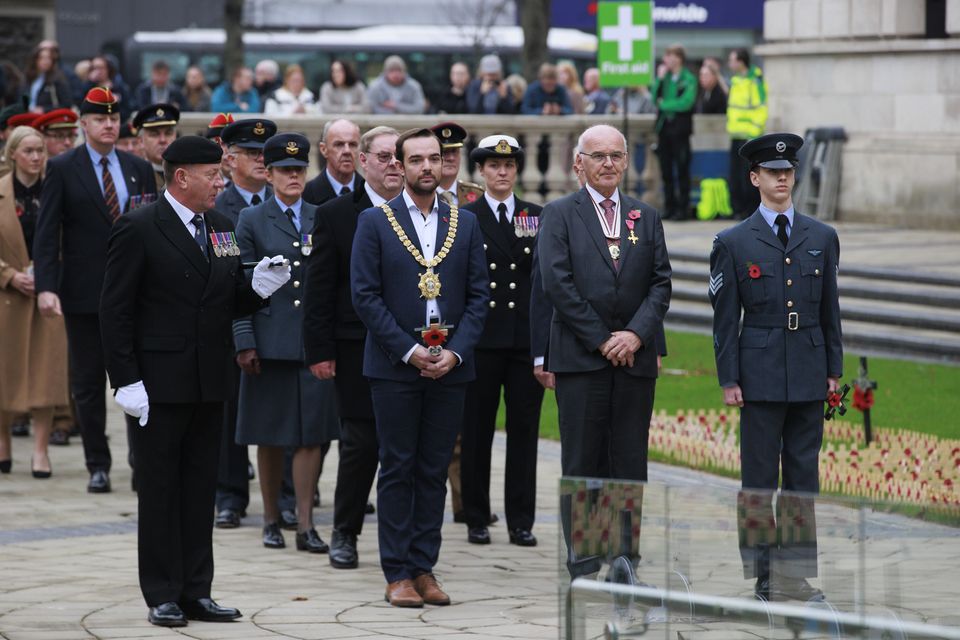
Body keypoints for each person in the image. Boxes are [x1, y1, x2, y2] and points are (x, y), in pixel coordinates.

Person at [100, 134, 291, 627]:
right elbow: (115, 311)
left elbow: (226, 297)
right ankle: (161, 591)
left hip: (210, 381)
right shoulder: (139, 227)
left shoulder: (221, 227)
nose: (220, 182)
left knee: (199, 488)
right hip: (159, 383)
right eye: (213, 174)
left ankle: (196, 589)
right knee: (161, 488)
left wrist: (258, 288)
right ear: (182, 177)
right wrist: (125, 380)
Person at [350, 127, 488, 607]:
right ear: (400, 167)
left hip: (451, 366)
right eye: (416, 160)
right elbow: (364, 297)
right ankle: (397, 573)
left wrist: (456, 352)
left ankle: (425, 567)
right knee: (398, 466)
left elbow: (478, 298)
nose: (427, 167)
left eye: (435, 158)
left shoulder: (464, 222)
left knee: (433, 467)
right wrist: (409, 352)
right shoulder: (374, 221)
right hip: (394, 366)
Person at [708, 133, 840, 602]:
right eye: (772, 172)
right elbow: (724, 319)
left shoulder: (821, 237)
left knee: (803, 479)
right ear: (754, 178)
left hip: (808, 368)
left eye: (788, 171)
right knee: (759, 480)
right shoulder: (733, 241)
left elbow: (830, 311)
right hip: (758, 374)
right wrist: (729, 377)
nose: (782, 178)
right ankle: (765, 574)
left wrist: (834, 371)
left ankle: (795, 574)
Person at [33, 87, 156, 494]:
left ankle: (141, 461)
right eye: (100, 119)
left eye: (114, 119)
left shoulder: (137, 167)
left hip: (134, 294)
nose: (108, 125)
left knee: (135, 380)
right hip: (85, 293)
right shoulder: (64, 168)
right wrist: (47, 287)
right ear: (84, 124)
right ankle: (97, 463)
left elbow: (152, 229)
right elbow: (49, 233)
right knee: (87, 384)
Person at [538, 124, 672, 482]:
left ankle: (624, 540)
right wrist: (602, 339)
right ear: (578, 164)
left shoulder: (646, 216)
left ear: (627, 161)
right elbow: (557, 283)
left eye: (615, 155)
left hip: (635, 362)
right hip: (581, 360)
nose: (608, 163)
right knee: (584, 467)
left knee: (629, 466)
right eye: (598, 155)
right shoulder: (559, 213)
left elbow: (660, 283)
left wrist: (635, 335)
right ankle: (584, 541)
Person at [233, 132, 339, 553]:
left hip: (312, 341)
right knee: (270, 434)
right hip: (269, 338)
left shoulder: (322, 215)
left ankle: (306, 523)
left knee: (311, 434)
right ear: (270, 174)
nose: (293, 177)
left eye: (298, 170)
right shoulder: (252, 220)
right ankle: (272, 518)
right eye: (284, 170)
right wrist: (244, 341)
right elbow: (239, 286)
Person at [304, 125, 403, 569]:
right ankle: (345, 532)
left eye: (400, 157)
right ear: (363, 162)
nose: (393, 165)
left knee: (406, 446)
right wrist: (319, 350)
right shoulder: (337, 214)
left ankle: (404, 539)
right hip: (356, 346)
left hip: (415, 349)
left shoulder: (428, 211)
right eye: (383, 157)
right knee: (361, 444)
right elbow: (320, 289)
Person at [460, 134, 543, 547]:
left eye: (509, 166)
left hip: (525, 340)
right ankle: (475, 514)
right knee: (476, 431)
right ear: (481, 171)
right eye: (494, 165)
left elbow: (545, 281)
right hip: (482, 338)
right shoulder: (467, 217)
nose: (502, 172)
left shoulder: (537, 215)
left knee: (524, 431)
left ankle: (521, 519)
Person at [211, 118, 277, 530]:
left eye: (263, 153)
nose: (259, 160)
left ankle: (284, 494)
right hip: (229, 322)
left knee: (281, 411)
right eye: (251, 153)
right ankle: (230, 495)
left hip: (276, 323)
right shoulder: (218, 208)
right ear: (229, 159)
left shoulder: (284, 201)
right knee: (229, 415)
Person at [0, 126, 69, 478]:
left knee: (47, 374)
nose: (36, 157)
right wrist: (10, 275)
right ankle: (4, 444)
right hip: (8, 295)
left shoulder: (56, 187)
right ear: (12, 153)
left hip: (48, 291)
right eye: (28, 150)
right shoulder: (1, 191)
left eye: (40, 150)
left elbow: (67, 239)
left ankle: (40, 451)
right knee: (5, 373)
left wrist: (47, 275)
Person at [651, 44, 697, 220]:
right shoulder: (666, 78)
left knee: (682, 169)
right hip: (664, 129)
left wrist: (665, 104)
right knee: (666, 170)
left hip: (681, 130)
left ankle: (682, 208)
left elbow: (686, 102)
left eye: (670, 56)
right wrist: (660, 80)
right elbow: (654, 98)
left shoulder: (688, 79)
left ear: (678, 58)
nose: (666, 61)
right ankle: (669, 206)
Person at [727, 48, 768, 219]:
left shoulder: (755, 81)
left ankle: (750, 210)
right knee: (735, 176)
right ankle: (738, 210)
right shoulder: (736, 81)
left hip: (749, 137)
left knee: (748, 178)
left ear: (740, 61)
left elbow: (761, 108)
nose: (729, 64)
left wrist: (753, 133)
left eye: (732, 60)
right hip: (735, 135)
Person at [302, 118, 364, 205]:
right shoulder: (304, 196)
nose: (347, 151)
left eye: (353, 145)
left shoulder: (372, 192)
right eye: (339, 144)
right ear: (324, 149)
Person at [431, 122, 483, 209]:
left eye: (454, 151)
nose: (451, 158)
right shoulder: (421, 195)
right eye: (444, 152)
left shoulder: (478, 194)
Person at [133, 102, 180, 191]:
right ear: (141, 141)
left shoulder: (186, 174)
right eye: (154, 134)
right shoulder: (134, 174)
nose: (162, 140)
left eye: (168, 133)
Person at [25, 43, 73, 113]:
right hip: (29, 117)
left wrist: (44, 109)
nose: (45, 61)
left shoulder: (57, 79)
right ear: (35, 60)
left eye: (48, 58)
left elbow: (67, 105)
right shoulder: (29, 78)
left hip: (48, 120)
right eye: (41, 58)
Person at [85, 55, 134, 121]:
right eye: (94, 68)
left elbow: (128, 109)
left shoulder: (119, 87)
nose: (97, 72)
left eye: (100, 68)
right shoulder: (89, 87)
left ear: (108, 69)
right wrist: (90, 81)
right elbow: (82, 105)